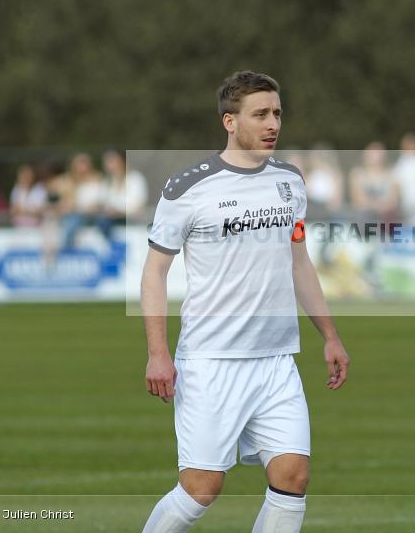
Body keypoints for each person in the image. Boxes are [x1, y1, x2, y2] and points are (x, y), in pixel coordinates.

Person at [141, 71, 350, 533]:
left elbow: (299, 263)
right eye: (260, 114)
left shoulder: (290, 181)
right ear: (230, 122)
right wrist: (158, 352)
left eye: (277, 113)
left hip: (276, 360)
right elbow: (154, 272)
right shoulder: (187, 189)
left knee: (293, 476)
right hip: (211, 361)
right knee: (201, 489)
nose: (273, 123)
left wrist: (331, 336)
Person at [98, 150, 147, 240]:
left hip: (130, 218)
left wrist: (119, 211)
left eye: (112, 161)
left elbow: (138, 205)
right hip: (112, 219)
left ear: (123, 162)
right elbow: (103, 202)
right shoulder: (107, 182)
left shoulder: (135, 178)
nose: (109, 165)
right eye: (107, 162)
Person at [349, 141, 398, 222]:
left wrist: (377, 206)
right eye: (372, 153)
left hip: (386, 217)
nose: (375, 157)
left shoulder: (392, 174)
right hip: (364, 218)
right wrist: (379, 205)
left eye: (378, 153)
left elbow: (393, 201)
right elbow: (358, 201)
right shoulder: (357, 174)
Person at [61, 153, 103, 248]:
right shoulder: (71, 182)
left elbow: (97, 203)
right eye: (78, 164)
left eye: (83, 163)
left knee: (72, 221)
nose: (81, 167)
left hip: (90, 215)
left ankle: (66, 247)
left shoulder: (97, 180)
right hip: (74, 213)